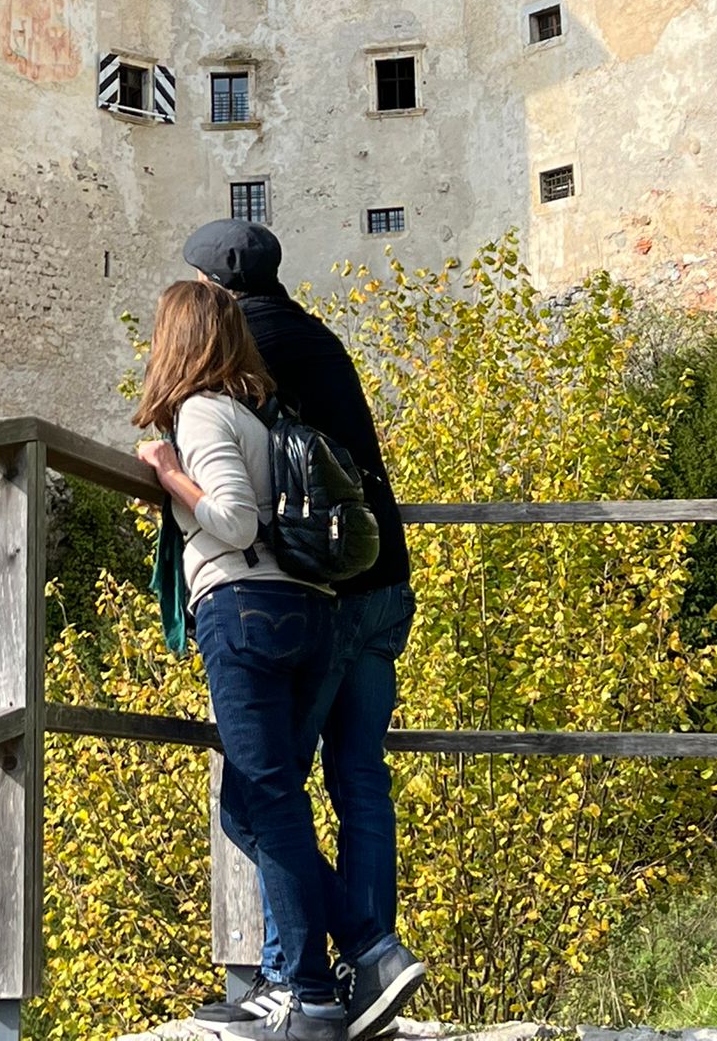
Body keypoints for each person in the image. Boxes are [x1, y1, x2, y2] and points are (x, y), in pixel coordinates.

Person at [182, 219, 424, 1041]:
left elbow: (237, 479)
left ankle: (320, 973)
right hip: (388, 574)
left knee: (263, 796)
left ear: (217, 291)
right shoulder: (317, 333)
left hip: (328, 590)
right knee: (358, 778)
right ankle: (360, 977)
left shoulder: (243, 350)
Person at [135, 280, 348, 1041]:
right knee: (253, 805)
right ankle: (350, 952)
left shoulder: (201, 412)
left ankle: (316, 993)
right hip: (309, 613)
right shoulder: (266, 411)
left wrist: (166, 472)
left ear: (178, 343)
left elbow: (230, 519)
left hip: (245, 611)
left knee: (271, 804)